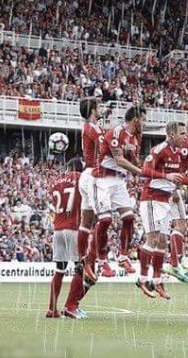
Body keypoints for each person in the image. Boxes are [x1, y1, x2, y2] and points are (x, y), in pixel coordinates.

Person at [84, 105, 146, 285]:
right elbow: (119, 159)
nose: (145, 123)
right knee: (105, 220)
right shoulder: (116, 133)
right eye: (143, 119)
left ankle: (123, 256)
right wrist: (141, 172)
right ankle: (102, 261)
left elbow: (133, 160)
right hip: (101, 179)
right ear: (135, 119)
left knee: (129, 217)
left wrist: (140, 165)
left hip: (119, 180)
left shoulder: (136, 138)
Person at [135, 122, 188, 299]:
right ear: (172, 135)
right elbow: (144, 171)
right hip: (151, 199)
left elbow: (175, 177)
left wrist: (178, 187)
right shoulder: (160, 150)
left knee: (163, 241)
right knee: (153, 239)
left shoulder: (178, 154)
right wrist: (167, 176)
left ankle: (157, 281)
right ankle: (142, 278)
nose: (185, 137)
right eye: (182, 133)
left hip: (165, 200)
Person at [48, 159, 88, 319]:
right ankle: (71, 306)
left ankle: (52, 309)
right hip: (74, 228)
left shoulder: (56, 181)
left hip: (58, 229)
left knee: (59, 270)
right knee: (82, 268)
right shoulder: (82, 179)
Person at [165, 117, 188, 284]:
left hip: (162, 182)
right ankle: (174, 264)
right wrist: (175, 188)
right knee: (180, 224)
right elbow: (176, 165)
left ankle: (174, 263)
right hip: (169, 185)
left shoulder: (177, 139)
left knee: (172, 226)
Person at [77, 99, 105, 284]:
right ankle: (101, 259)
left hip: (85, 175)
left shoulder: (85, 127)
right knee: (105, 217)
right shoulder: (94, 128)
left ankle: (83, 261)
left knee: (86, 222)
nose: (101, 110)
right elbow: (106, 149)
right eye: (99, 107)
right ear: (93, 110)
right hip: (93, 175)